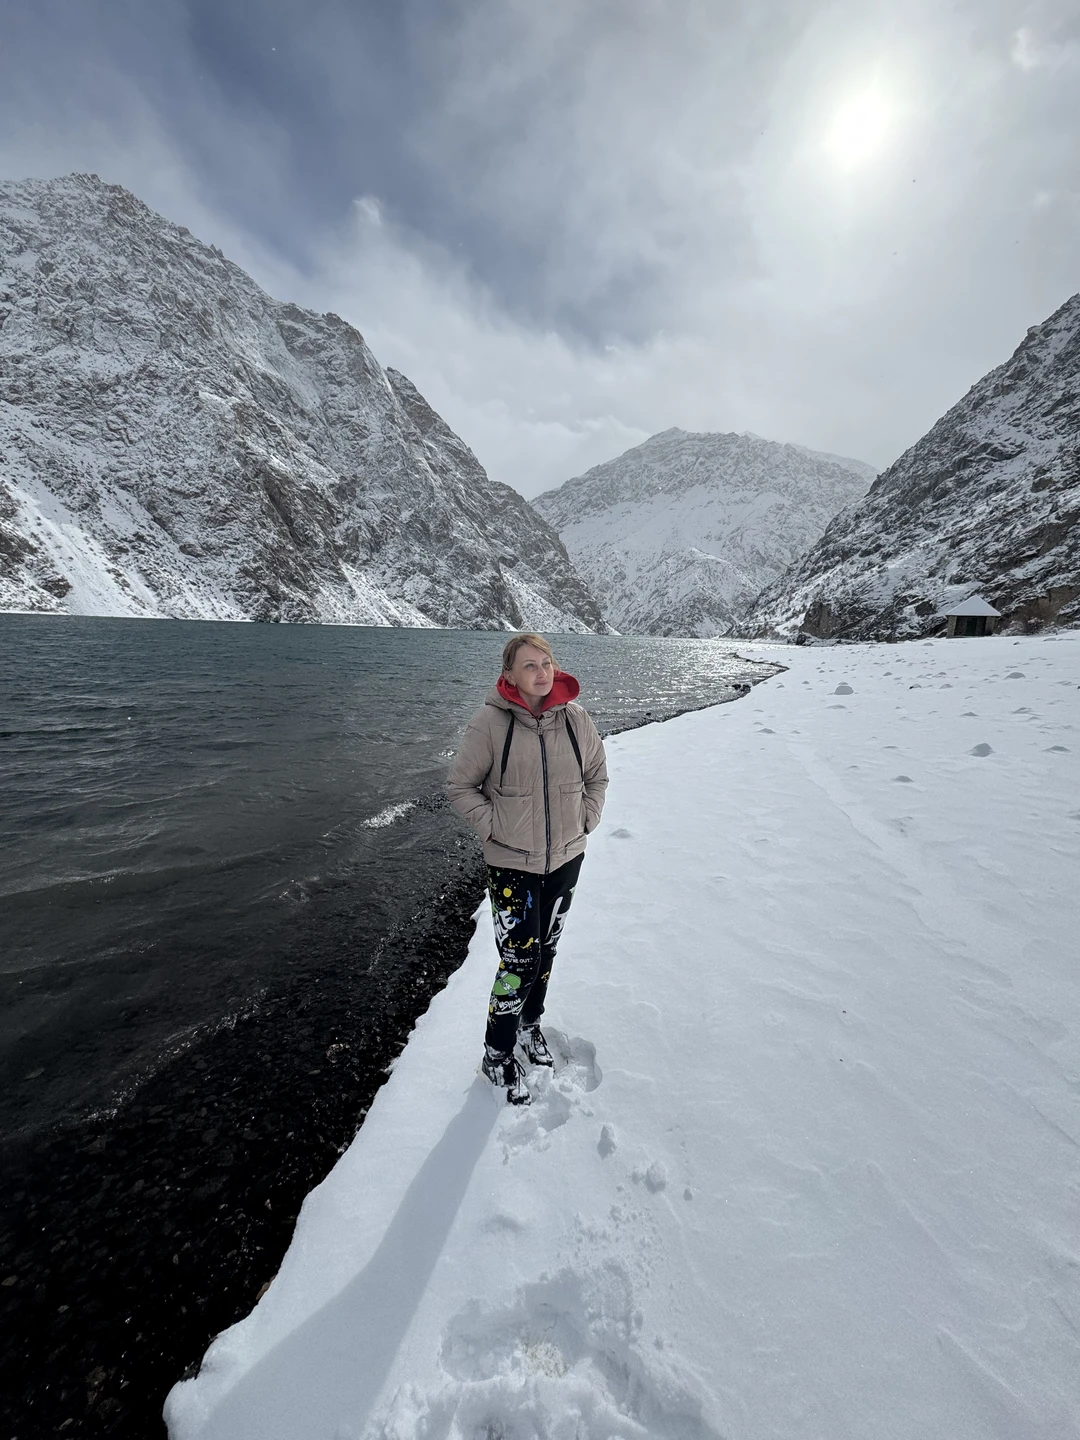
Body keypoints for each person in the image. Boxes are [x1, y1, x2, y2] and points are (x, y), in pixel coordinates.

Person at [447, 633, 608, 1104]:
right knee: (519, 959)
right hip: (511, 866)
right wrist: (495, 827)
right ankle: (495, 1054)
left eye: (547, 662)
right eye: (529, 665)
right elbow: (460, 787)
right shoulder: (491, 724)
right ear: (510, 675)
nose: (541, 672)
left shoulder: (576, 719)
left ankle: (529, 1023)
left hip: (565, 857)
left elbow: (597, 773)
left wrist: (587, 817)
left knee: (547, 949)